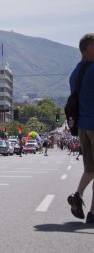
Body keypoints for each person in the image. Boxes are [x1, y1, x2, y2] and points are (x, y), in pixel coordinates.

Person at [67, 33, 94, 224]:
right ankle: (91, 211)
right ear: (90, 48)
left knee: (91, 169)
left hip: (83, 127)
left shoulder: (75, 73)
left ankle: (80, 198)